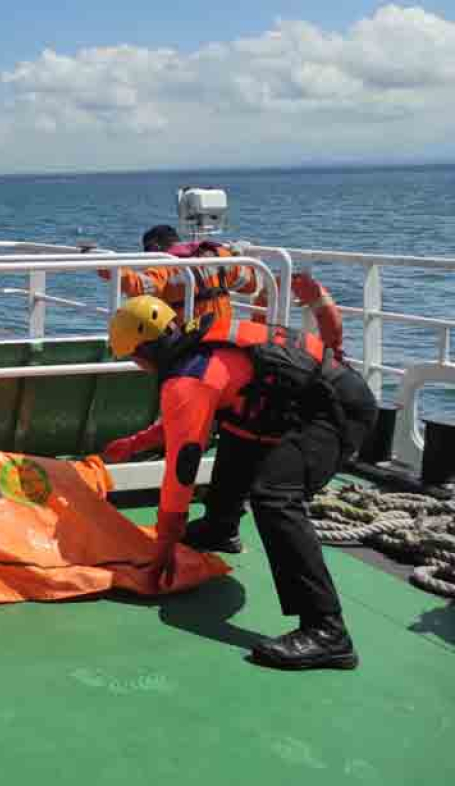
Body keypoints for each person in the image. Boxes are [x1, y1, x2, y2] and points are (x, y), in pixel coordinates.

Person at [104, 295, 377, 670]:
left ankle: (327, 630)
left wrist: (164, 546)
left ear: (147, 350)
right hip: (300, 404)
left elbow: (182, 468)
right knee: (235, 424)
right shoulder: (198, 354)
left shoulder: (188, 377)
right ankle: (221, 528)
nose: (138, 366)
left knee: (275, 497)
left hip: (336, 412)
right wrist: (135, 444)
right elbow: (186, 420)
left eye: (134, 358)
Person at [98, 225, 259, 326]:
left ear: (154, 247)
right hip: (224, 333)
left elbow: (141, 285)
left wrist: (106, 266)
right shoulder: (219, 255)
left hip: (190, 340)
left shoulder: (165, 266)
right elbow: (250, 285)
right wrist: (237, 254)